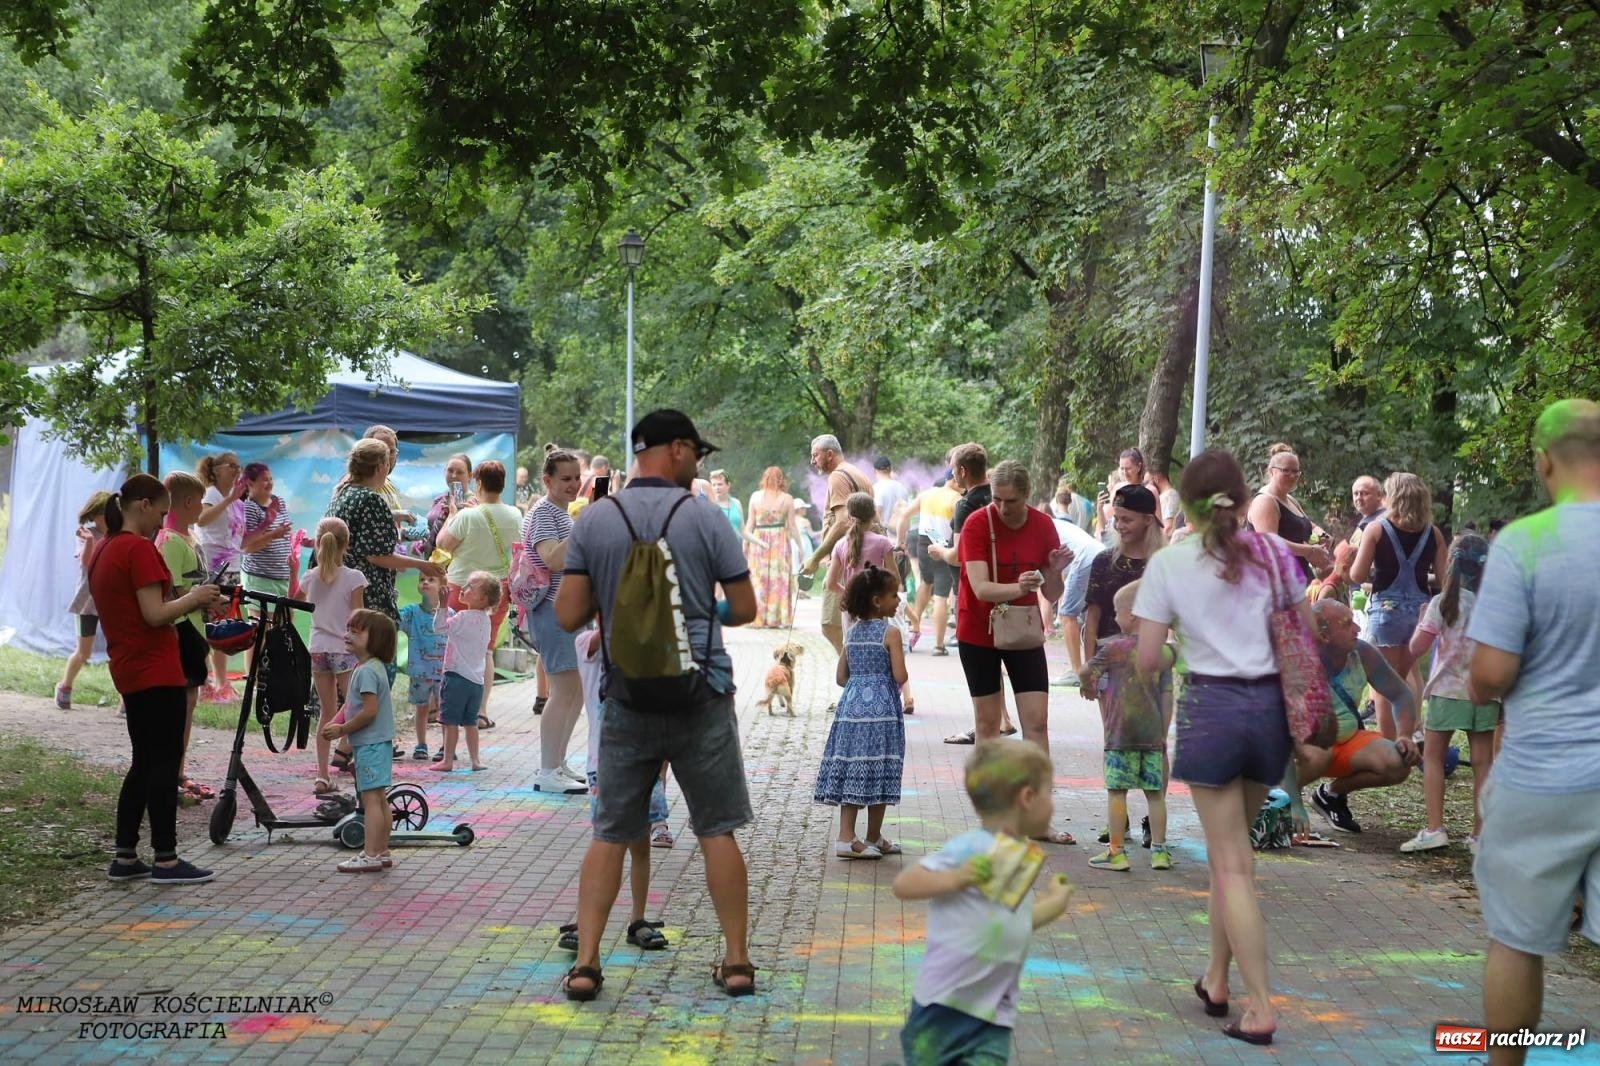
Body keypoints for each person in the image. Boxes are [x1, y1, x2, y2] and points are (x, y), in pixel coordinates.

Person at [554, 409, 758, 1002]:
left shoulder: (596, 519)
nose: (701, 462)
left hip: (627, 700)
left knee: (610, 832)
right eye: (697, 451)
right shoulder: (706, 516)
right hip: (703, 695)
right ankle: (737, 962)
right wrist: (701, 614)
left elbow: (568, 614)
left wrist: (618, 615)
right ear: (674, 449)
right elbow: (744, 607)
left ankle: (587, 964)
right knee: (717, 831)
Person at [1132, 450, 1312, 1045]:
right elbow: (1301, 633)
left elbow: (1147, 660)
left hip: (1210, 708)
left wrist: (1183, 650)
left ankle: (1259, 1007)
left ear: (1184, 504)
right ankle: (1216, 979)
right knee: (1227, 856)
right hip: (1267, 713)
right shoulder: (1277, 554)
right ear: (1242, 495)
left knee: (1233, 863)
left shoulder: (1169, 564)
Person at [1465, 399, 1600, 1066]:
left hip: (1545, 773)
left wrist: (1479, 682)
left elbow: (1492, 672)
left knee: (1517, 939)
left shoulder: (1525, 541)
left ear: (1545, 461)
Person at [893, 739, 1076, 1066]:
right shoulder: (972, 847)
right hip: (943, 1008)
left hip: (993, 1015)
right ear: (1027, 798)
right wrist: (956, 878)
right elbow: (904, 884)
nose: (1053, 804)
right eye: (1051, 793)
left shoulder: (1017, 853)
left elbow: (1011, 920)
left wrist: (1056, 903)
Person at [89, 474, 222, 885]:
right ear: (143, 505)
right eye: (161, 513)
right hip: (155, 668)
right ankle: (166, 858)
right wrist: (196, 598)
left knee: (144, 762)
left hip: (128, 666)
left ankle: (126, 855)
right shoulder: (137, 549)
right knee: (163, 763)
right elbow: (154, 613)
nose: (161, 522)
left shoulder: (105, 549)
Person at [952, 461, 1074, 843]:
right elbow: (981, 588)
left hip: (1022, 631)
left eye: (1012, 501)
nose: (1003, 508)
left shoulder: (1042, 525)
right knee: (987, 725)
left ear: (1027, 495)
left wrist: (1053, 572)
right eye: (997, 500)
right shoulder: (976, 523)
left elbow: (1052, 595)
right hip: (978, 630)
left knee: (1036, 724)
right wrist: (1019, 585)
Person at [554, 628, 671, 955]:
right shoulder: (587, 643)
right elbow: (599, 638)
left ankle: (638, 919)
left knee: (641, 847)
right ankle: (585, 919)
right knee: (605, 846)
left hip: (645, 760)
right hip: (605, 764)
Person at [1290, 600, 1421, 835]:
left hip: (1346, 743)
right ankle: (1283, 798)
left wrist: (1404, 735)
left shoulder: (1363, 653)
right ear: (1323, 634)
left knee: (1398, 763)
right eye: (1346, 624)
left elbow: (1401, 694)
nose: (1357, 629)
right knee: (1319, 752)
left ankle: (1331, 795)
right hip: (1301, 751)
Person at [1403, 532, 1496, 853]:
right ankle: (1480, 836)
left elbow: (1417, 648)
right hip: (1485, 693)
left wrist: (1420, 623)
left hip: (1446, 690)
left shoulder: (1441, 603)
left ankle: (1434, 829)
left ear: (1451, 565)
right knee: (1484, 762)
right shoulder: (1495, 606)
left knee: (1433, 757)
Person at [815, 565, 908, 859]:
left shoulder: (852, 632)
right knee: (880, 767)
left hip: (852, 710)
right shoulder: (890, 632)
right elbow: (900, 674)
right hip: (881, 711)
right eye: (894, 595)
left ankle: (867, 837)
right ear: (877, 601)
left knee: (854, 766)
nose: (899, 599)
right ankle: (853, 839)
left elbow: (841, 677)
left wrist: (860, 681)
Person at [1080, 580, 1172, 872]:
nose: (1115, 617)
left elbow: (1085, 671)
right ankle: (1159, 851)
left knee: (1117, 792)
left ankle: (1116, 852)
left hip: (1120, 734)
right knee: (1155, 793)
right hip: (1152, 736)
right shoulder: (1163, 653)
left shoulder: (1114, 648)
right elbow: (1168, 696)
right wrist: (1162, 732)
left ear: (1132, 615)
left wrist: (1089, 686)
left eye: (1117, 612)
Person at [1350, 471, 1447, 741]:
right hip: (1420, 612)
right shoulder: (1433, 533)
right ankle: (1413, 733)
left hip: (1386, 612)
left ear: (1393, 497)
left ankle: (1390, 742)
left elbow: (1357, 576)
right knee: (1410, 674)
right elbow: (1444, 579)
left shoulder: (1377, 528)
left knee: (1384, 683)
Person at [520, 450, 588, 795]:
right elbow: (552, 559)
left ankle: (558, 763)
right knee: (562, 691)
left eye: (577, 477)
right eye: (566, 479)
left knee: (574, 691)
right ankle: (548, 769)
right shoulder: (546, 514)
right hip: (553, 610)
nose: (573, 484)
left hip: (570, 610)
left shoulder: (561, 513)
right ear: (547, 481)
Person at [435, 459, 521, 725]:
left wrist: (452, 513)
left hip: (462, 588)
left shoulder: (467, 515)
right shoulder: (515, 514)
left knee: (453, 647)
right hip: (497, 590)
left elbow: (442, 545)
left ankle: (448, 708)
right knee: (485, 650)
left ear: (478, 483)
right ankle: (480, 711)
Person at [327, 438, 444, 623]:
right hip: (368, 594)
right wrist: (422, 565)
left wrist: (394, 515)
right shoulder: (371, 500)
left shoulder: (343, 493)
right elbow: (376, 556)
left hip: (342, 590)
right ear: (381, 466)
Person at [319, 608, 398, 873]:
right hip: (378, 743)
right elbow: (353, 704)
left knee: (371, 800)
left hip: (370, 743)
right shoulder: (367, 667)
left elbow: (369, 711)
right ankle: (382, 851)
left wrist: (342, 732)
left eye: (356, 631)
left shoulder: (365, 672)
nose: (348, 635)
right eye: (348, 629)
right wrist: (338, 721)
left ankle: (371, 853)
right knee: (379, 798)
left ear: (375, 639)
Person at [156, 473, 213, 803]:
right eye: (201, 502)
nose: (203, 508)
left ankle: (178, 771)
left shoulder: (190, 538)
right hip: (180, 631)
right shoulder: (169, 542)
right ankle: (170, 777)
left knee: (188, 705)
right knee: (178, 708)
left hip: (196, 631)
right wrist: (203, 597)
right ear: (189, 502)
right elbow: (174, 592)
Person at [302, 517, 367, 794]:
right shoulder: (353, 578)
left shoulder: (309, 578)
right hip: (344, 648)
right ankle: (363, 770)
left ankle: (321, 775)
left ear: (317, 543)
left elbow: (296, 599)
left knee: (327, 713)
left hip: (317, 649)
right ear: (346, 544)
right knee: (355, 707)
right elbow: (357, 618)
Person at [799, 435, 873, 657]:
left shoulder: (837, 477)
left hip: (847, 558)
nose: (813, 461)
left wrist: (815, 557)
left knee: (830, 624)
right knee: (857, 619)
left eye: (815, 455)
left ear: (829, 454)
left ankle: (852, 669)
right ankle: (858, 667)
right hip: (862, 555)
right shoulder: (857, 473)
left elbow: (842, 521)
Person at [1083, 483, 1164, 661]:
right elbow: (1092, 620)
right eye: (1116, 519)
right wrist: (1088, 669)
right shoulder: (1104, 561)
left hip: (1148, 662)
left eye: (1127, 520)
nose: (1119, 526)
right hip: (1107, 661)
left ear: (1148, 521)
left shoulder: (1162, 565)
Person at [428, 571, 497, 773]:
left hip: (456, 676)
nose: (464, 588)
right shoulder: (485, 620)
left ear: (482, 598)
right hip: (476, 681)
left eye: (470, 586)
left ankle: (447, 760)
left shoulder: (463, 617)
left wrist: (442, 604)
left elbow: (439, 628)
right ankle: (475, 761)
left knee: (450, 723)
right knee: (470, 722)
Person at [194, 453, 248, 703]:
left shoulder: (236, 499)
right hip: (212, 567)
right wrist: (229, 500)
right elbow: (202, 520)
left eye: (239, 467)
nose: (237, 471)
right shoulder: (211, 494)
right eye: (231, 466)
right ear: (215, 470)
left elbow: (240, 538)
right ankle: (203, 683)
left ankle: (222, 683)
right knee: (208, 624)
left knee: (223, 626)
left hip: (232, 567)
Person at [56, 491, 112, 710]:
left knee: (117, 651)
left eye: (109, 513)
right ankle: (64, 687)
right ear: (94, 515)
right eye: (102, 514)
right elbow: (87, 562)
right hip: (87, 602)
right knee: (83, 652)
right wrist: (90, 540)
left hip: (109, 601)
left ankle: (127, 699)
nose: (106, 518)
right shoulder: (85, 534)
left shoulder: (118, 536)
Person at [1246, 444, 1330, 581]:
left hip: (1295, 579)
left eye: (1296, 472)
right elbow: (1270, 543)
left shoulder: (1290, 499)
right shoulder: (1264, 502)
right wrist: (1311, 551)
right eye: (1286, 471)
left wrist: (1323, 535)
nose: (1292, 476)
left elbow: (1309, 525)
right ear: (1271, 472)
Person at [1048, 484, 1105, 685]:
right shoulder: (1057, 524)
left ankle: (1076, 672)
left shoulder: (1043, 527)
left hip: (1086, 557)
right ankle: (1093, 667)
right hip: (1100, 552)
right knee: (1091, 613)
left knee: (1067, 615)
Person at [897, 473, 960, 655]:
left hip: (924, 544)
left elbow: (904, 516)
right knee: (940, 596)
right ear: (954, 480)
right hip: (943, 547)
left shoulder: (927, 494)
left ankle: (913, 630)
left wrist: (901, 542)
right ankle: (939, 646)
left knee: (925, 583)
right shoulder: (956, 499)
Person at [742, 466, 799, 629]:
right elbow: (793, 526)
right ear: (781, 479)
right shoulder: (787, 499)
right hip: (779, 540)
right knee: (778, 579)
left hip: (758, 539)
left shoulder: (755, 497)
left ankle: (758, 618)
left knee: (758, 579)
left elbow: (750, 523)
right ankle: (779, 618)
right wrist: (800, 547)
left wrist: (745, 542)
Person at [399, 574, 447, 761]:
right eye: (422, 579)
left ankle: (446, 744)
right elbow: (395, 620)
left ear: (442, 586)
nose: (425, 582)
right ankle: (421, 744)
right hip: (419, 672)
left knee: (445, 710)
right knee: (421, 709)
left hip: (443, 673)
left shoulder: (448, 614)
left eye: (431, 579)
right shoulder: (411, 613)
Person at [238, 463, 292, 598]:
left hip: (283, 578)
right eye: (265, 480)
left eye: (271, 479)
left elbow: (284, 532)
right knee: (263, 620)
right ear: (250, 483)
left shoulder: (279, 501)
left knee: (286, 619)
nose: (270, 483)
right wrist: (273, 535)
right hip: (260, 579)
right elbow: (246, 548)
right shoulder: (249, 508)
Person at [422, 453, 474, 558]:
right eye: (450, 470)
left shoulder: (473, 505)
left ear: (470, 476)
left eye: (460, 472)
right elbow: (430, 528)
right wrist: (421, 541)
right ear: (444, 471)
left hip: (455, 568)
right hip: (429, 566)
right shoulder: (438, 500)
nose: (454, 475)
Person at [872, 456, 911, 530]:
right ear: (890, 469)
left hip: (885, 532)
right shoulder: (902, 487)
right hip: (902, 531)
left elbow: (877, 512)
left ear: (874, 471)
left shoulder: (876, 488)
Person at [707, 469, 745, 538]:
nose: (717, 488)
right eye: (714, 485)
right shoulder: (708, 505)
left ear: (728, 485)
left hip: (737, 546)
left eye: (720, 484)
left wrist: (760, 542)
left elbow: (743, 531)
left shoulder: (737, 503)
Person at [1350, 474, 1386, 544]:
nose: (1358, 498)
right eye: (1355, 494)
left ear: (1379, 495)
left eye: (1364, 493)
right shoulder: (1365, 521)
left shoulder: (1382, 522)